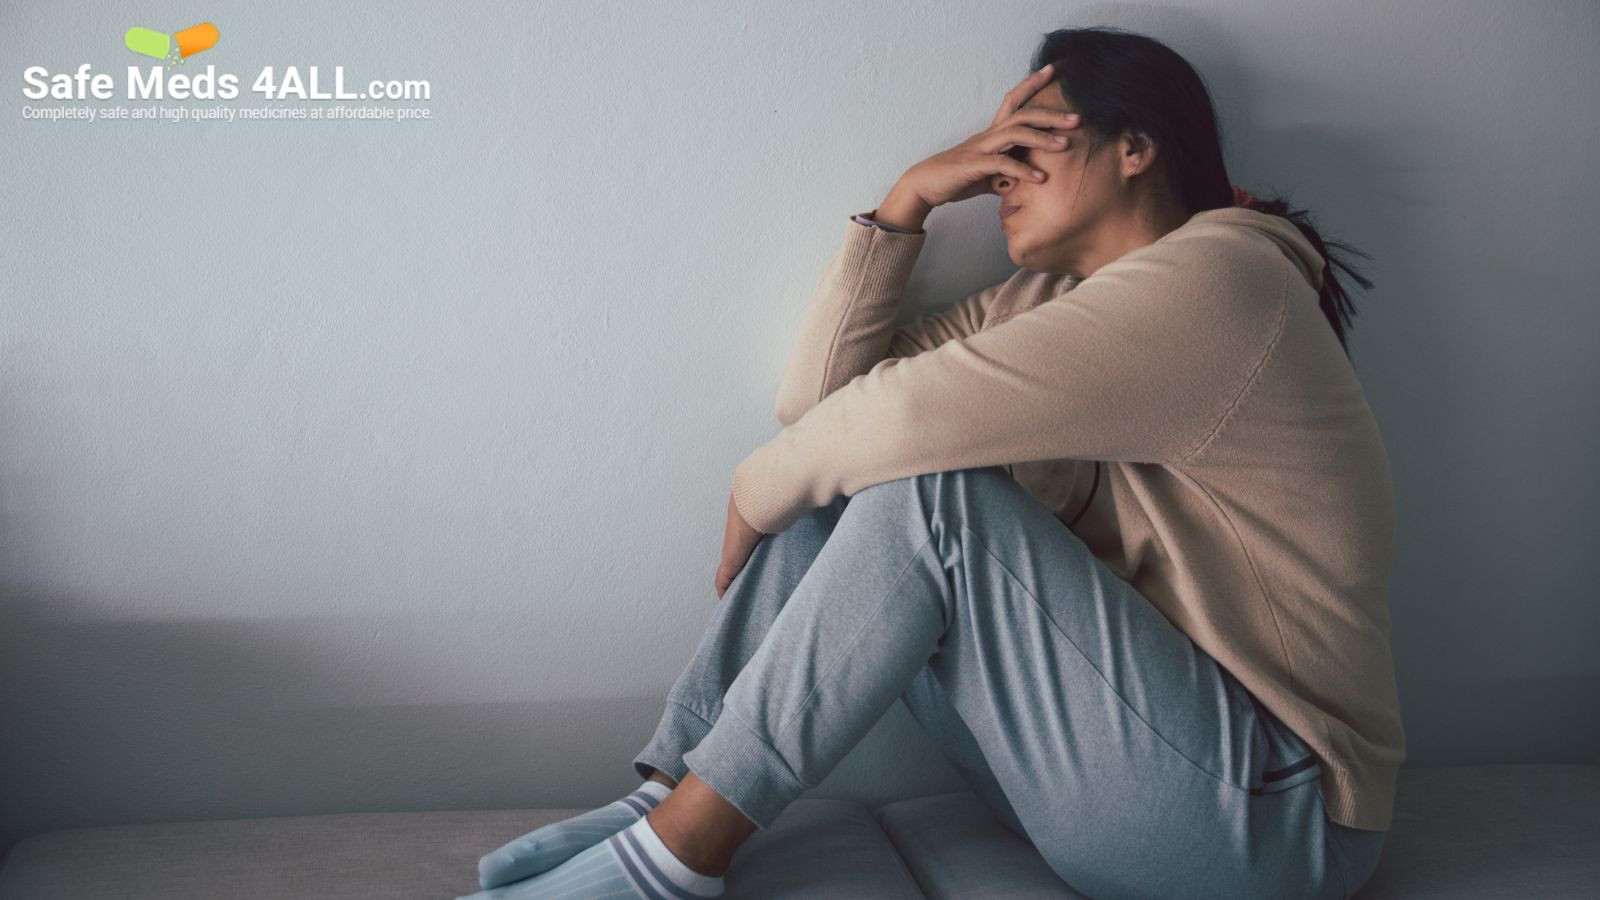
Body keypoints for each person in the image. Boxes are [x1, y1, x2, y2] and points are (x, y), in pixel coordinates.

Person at [460, 25, 1401, 900]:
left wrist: (753, 490)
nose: (1000, 177)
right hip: (1135, 773)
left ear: (1135, 146)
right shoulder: (1048, 301)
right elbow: (826, 414)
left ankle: (679, 854)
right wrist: (907, 200)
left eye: (1029, 146)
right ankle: (666, 796)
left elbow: (890, 426)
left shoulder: (1228, 280)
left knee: (931, 494)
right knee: (856, 482)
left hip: (1279, 817)